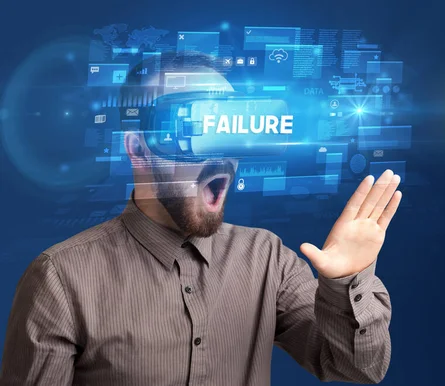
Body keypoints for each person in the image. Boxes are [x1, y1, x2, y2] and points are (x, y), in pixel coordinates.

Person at [0, 51, 402, 385]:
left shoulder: (268, 259)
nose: (218, 150)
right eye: (194, 127)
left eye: (227, 127)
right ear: (139, 149)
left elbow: (357, 368)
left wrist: (346, 281)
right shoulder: (61, 277)